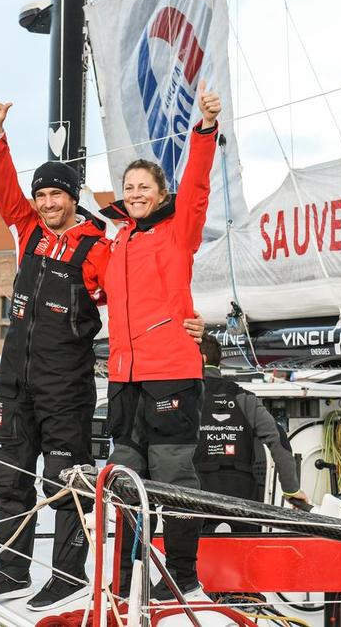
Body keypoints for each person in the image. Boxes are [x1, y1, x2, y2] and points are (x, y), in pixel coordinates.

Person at [0, 100, 205, 612]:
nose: (48, 203)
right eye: (42, 195)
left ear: (73, 199)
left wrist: (187, 320)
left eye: (57, 194)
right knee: (9, 476)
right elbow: (4, 190)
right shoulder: (25, 230)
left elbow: (130, 296)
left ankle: (66, 574)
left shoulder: (102, 246)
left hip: (67, 383)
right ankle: (10, 571)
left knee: (67, 481)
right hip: (15, 380)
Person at [100, 81, 220, 601]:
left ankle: (184, 578)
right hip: (123, 378)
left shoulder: (178, 230)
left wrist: (205, 130)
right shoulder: (119, 240)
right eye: (129, 188)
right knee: (126, 481)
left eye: (144, 187)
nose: (135, 195)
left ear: (161, 192)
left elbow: (197, 185)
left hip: (169, 370)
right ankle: (125, 579)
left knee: (172, 478)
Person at [195, 334, 309, 531]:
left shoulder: (186, 396)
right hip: (242, 494)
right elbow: (278, 438)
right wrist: (291, 488)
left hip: (194, 493)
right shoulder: (244, 398)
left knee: (189, 557)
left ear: (202, 358)